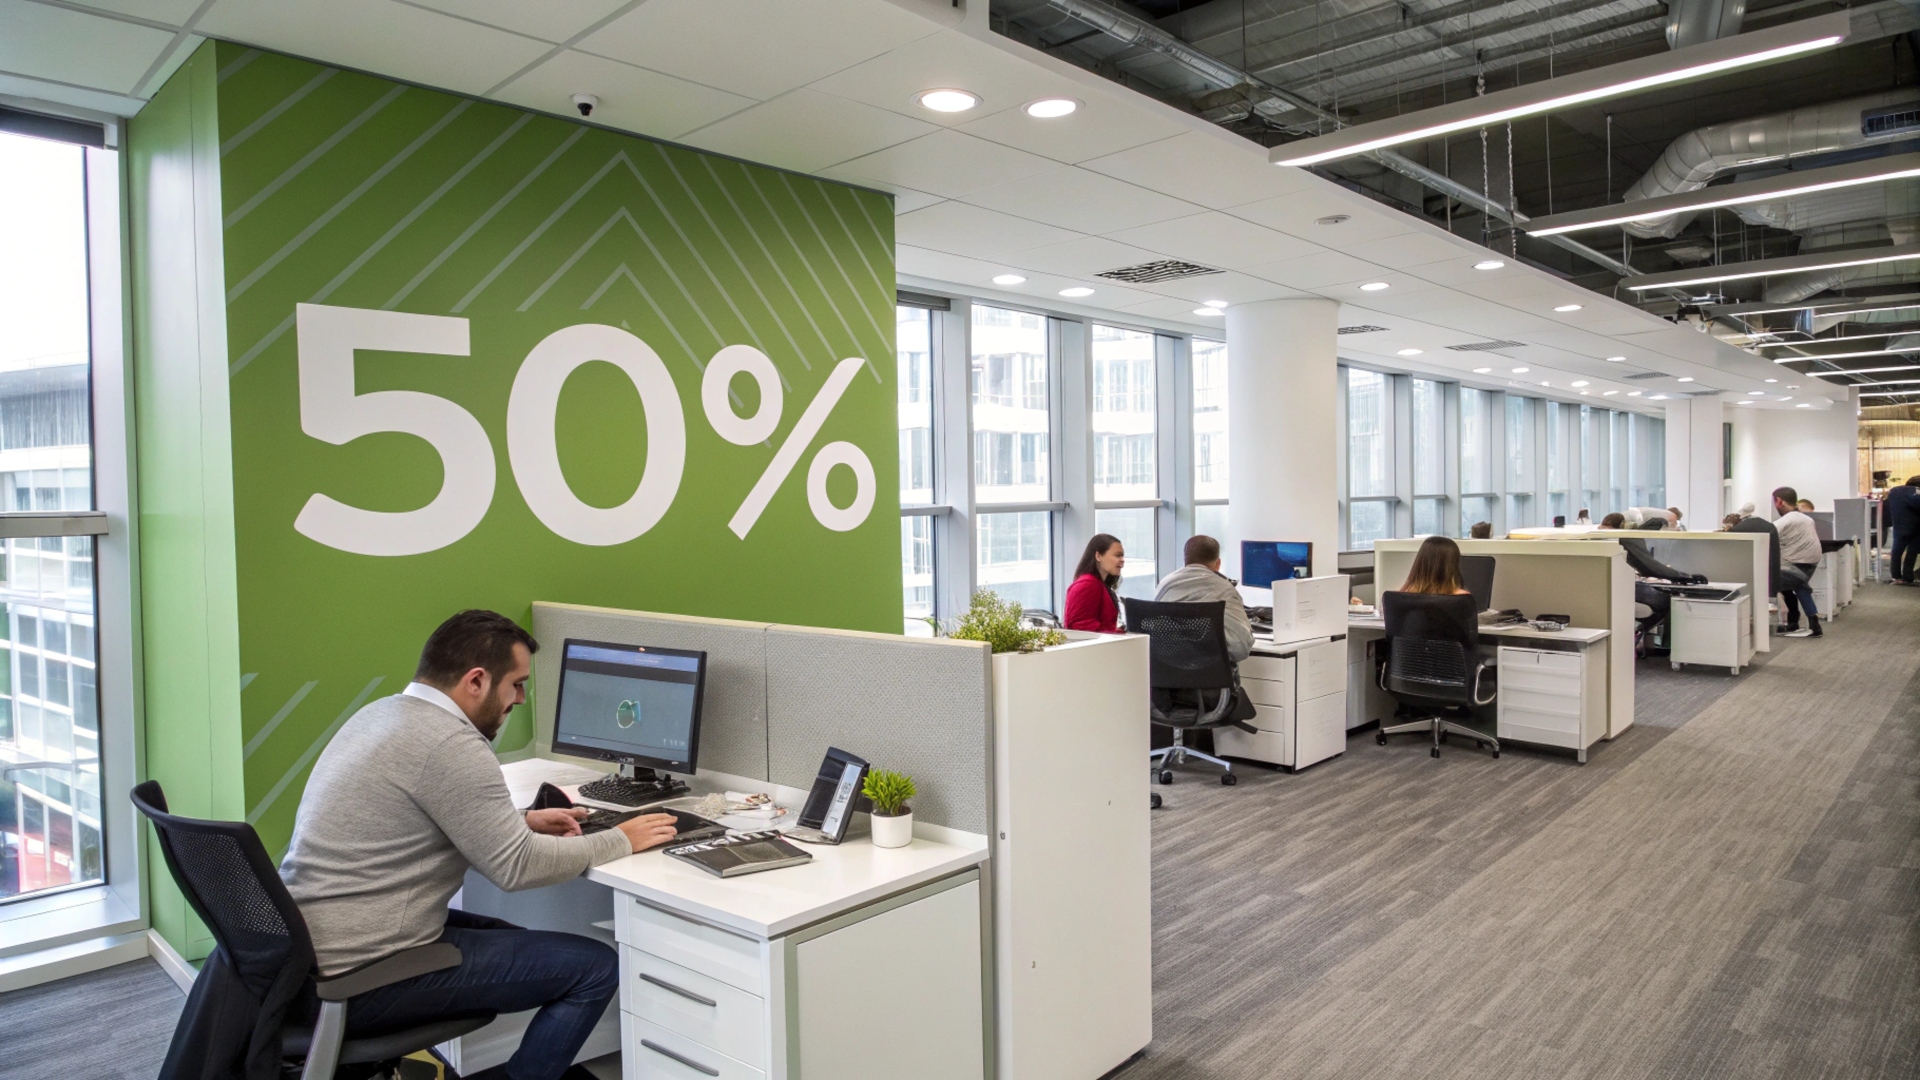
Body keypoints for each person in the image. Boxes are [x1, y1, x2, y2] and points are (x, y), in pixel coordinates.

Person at [278, 611, 682, 1080]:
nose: (521, 698)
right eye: (516, 684)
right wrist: (621, 838)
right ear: (476, 681)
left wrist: (520, 821)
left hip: (307, 956)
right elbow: (518, 868)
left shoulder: (380, 714)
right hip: (359, 977)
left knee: (514, 937)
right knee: (593, 968)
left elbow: (414, 818)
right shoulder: (450, 743)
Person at [1153, 535, 1253, 662]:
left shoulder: (1164, 585)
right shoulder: (1225, 589)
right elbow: (1241, 648)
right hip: (1212, 673)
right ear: (1218, 564)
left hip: (1167, 670)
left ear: (1185, 561)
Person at [1599, 513, 1696, 638]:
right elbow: (1651, 567)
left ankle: (1637, 637)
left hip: (1603, 592)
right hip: (1614, 592)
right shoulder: (1626, 537)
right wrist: (1684, 576)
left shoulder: (1599, 535)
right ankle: (1638, 635)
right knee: (1664, 601)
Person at [1772, 487, 1824, 639]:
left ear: (1779, 501)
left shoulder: (1784, 521)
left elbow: (1767, 537)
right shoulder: (1807, 519)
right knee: (1799, 585)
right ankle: (1811, 623)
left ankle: (1783, 621)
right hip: (1809, 565)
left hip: (1794, 565)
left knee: (1765, 581)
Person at [1064, 533, 1124, 634]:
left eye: (1122, 556)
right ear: (1098, 556)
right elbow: (1081, 627)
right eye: (1117, 555)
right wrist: (1118, 635)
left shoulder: (1098, 585)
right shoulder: (1088, 584)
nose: (1122, 560)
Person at [1887, 476, 1920, 584]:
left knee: (1897, 551)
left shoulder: (1894, 492)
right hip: (1915, 526)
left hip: (1899, 525)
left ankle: (1896, 576)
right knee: (1912, 551)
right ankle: (1908, 576)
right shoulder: (1914, 492)